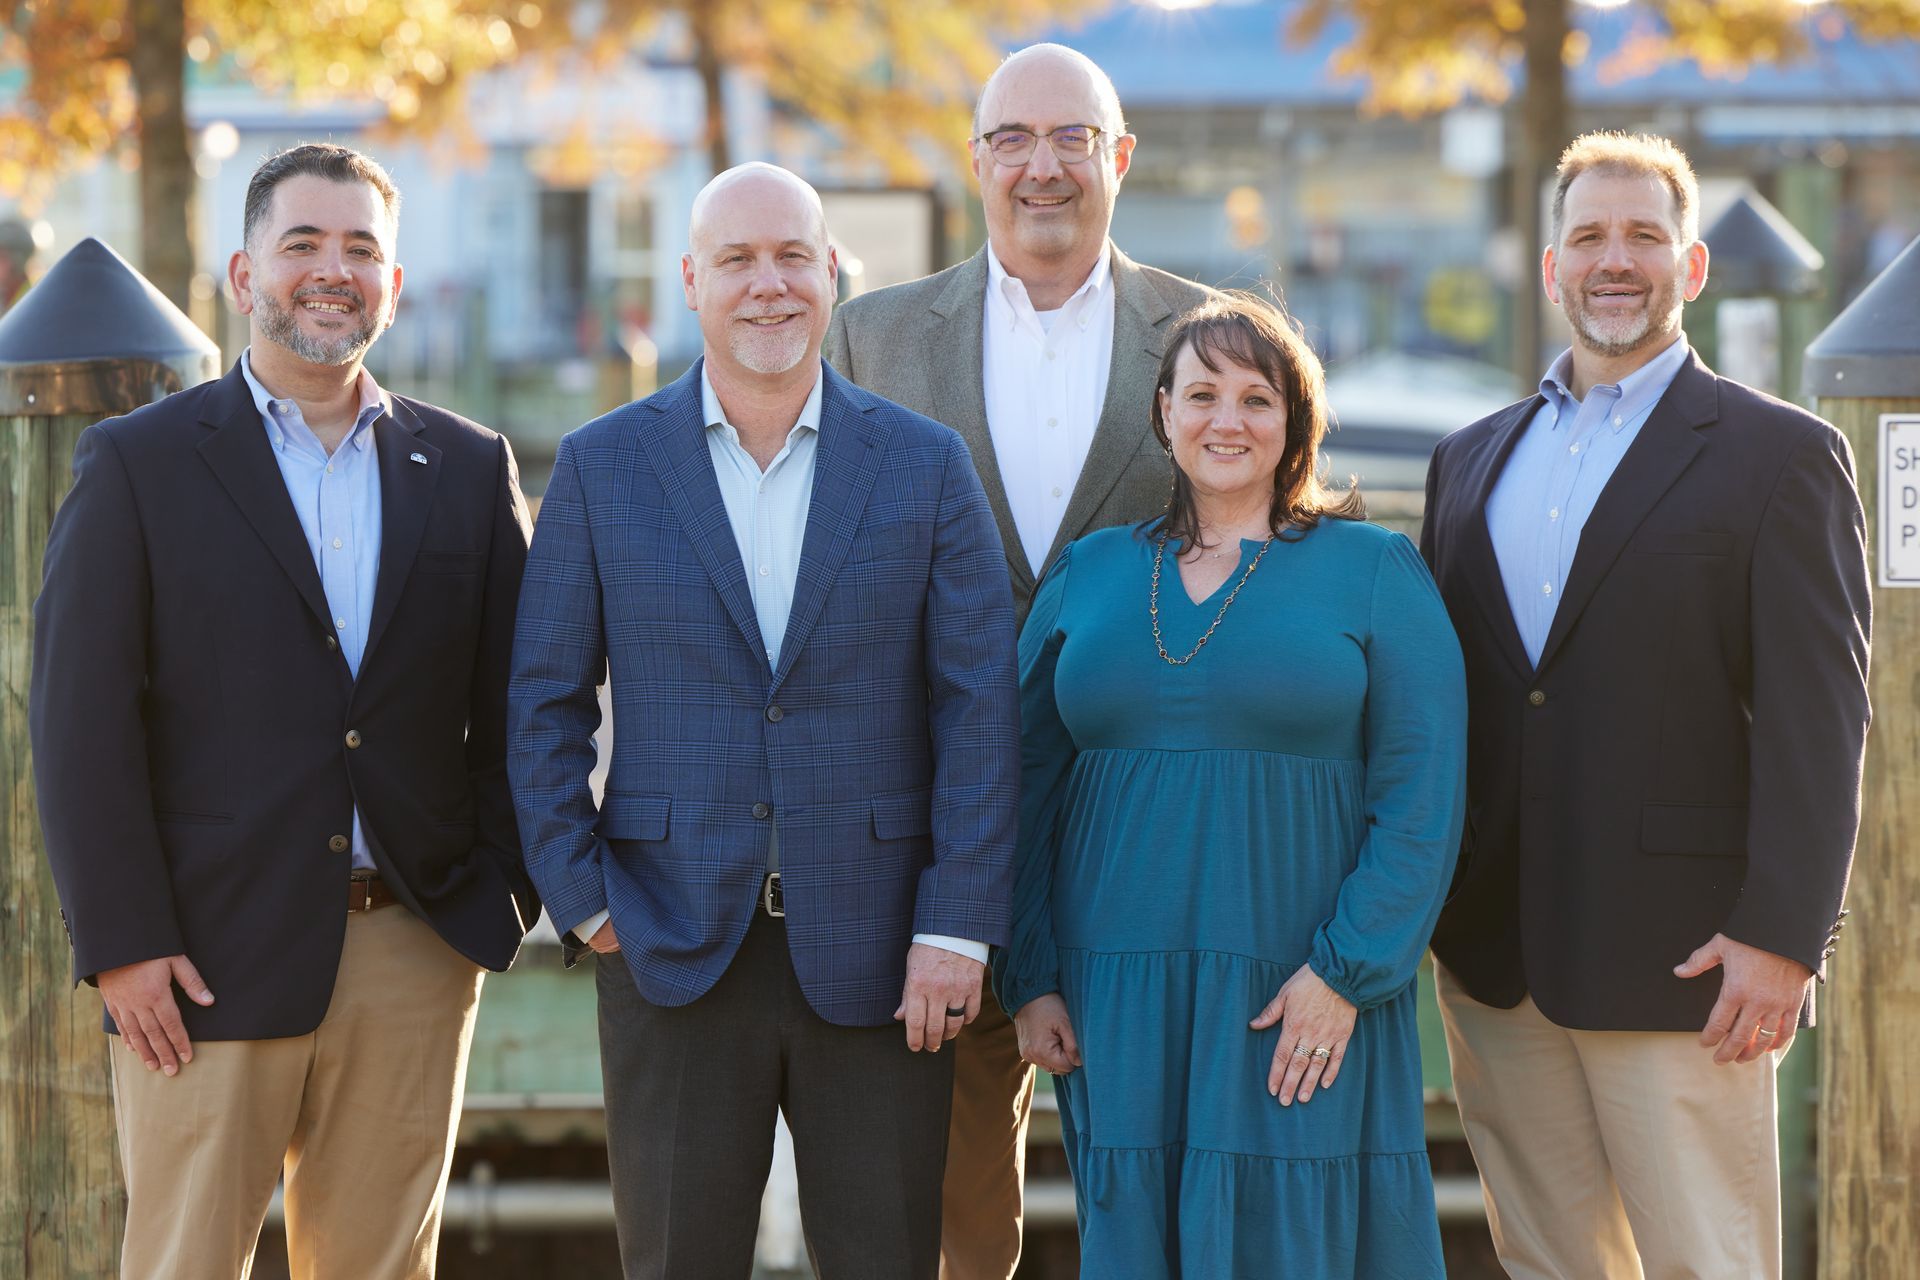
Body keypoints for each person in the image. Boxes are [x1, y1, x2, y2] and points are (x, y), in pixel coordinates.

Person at [30, 142, 538, 1280]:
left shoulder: (465, 467)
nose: (332, 269)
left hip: (412, 946)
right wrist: (123, 945)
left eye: (362, 248)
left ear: (394, 286)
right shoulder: (138, 464)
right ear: (243, 273)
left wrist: (495, 891)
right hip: (199, 957)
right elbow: (77, 724)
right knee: (182, 1262)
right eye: (302, 242)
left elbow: (524, 701)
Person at [508, 162, 1019, 1280]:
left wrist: (956, 925)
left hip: (888, 953)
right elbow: (542, 702)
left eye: (793, 256)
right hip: (668, 940)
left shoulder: (925, 465)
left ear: (831, 274)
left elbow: (981, 707)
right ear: (691, 280)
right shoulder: (602, 466)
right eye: (736, 259)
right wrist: (585, 898)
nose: (768, 284)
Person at [1421, 131, 1871, 1279]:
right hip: (1497, 952)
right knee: (1549, 1261)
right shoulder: (1468, 460)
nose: (1614, 259)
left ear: (1694, 265)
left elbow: (1823, 717)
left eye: (1642, 236)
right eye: (1588, 237)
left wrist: (1784, 933)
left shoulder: (1783, 457)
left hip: (1692, 963)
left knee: (1704, 1263)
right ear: (1551, 267)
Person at [823, 44, 1217, 1277]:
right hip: (930, 846)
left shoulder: (1214, 340)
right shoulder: (871, 339)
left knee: (1167, 1196)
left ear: (1119, 157)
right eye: (1013, 140)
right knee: (942, 1212)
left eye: (1072, 139)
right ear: (978, 156)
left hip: (1149, 835)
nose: (1042, 168)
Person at [996, 293, 1465, 1277]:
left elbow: (1422, 800)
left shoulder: (1374, 570)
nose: (1227, 419)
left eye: (1258, 398)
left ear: (1295, 424)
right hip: (1117, 991)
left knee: (1301, 1240)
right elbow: (1024, 787)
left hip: (1298, 984)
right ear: (1163, 411)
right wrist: (1029, 970)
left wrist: (1348, 971)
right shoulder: (1089, 572)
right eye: (1202, 392)